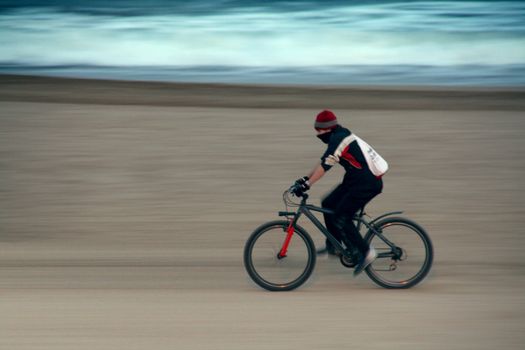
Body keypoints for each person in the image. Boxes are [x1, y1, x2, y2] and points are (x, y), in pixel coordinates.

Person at [292, 110, 384, 276]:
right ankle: (334, 245)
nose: (317, 134)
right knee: (328, 203)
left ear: (327, 129)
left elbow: (326, 167)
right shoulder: (337, 136)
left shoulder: (339, 139)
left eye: (318, 131)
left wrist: (307, 185)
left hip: (366, 184)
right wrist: (305, 178)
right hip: (354, 181)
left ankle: (367, 252)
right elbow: (323, 162)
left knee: (342, 217)